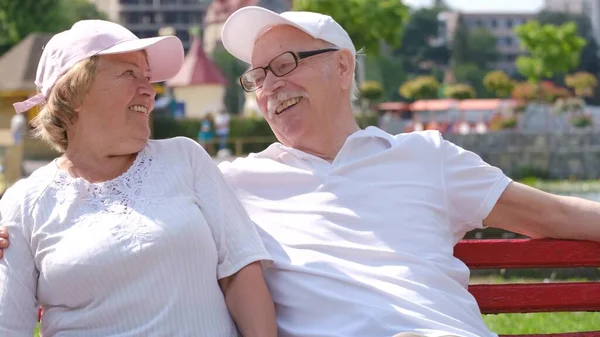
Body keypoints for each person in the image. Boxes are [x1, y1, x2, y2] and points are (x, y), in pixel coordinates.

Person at [2, 7, 600, 337]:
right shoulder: (228, 181)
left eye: (284, 64)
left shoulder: (428, 157)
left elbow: (551, 214)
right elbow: (112, 214)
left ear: (342, 68)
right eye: (257, 77)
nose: (269, 86)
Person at [0, 19, 276, 337]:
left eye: (148, 78)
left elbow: (241, 272)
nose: (150, 91)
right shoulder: (25, 202)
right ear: (72, 93)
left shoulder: (185, 158)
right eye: (129, 73)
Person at [6, 110, 26, 185]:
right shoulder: (17, 117)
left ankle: (18, 169)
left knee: (17, 153)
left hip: (17, 135)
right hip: (15, 135)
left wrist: (14, 130)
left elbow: (19, 126)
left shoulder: (20, 117)